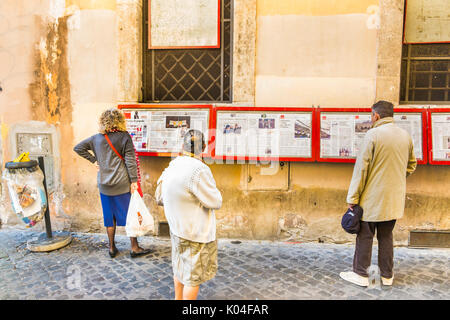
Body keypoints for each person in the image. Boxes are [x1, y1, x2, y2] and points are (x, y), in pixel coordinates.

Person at [340, 100, 417, 287]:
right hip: (393, 199)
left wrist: (353, 198)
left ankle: (360, 274)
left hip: (371, 199)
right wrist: (397, 178)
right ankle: (387, 276)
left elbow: (361, 170)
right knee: (386, 236)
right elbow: (412, 165)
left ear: (376, 115)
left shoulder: (373, 135)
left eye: (371, 115)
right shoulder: (405, 136)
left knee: (365, 236)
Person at [73, 108, 151, 258]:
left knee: (109, 217)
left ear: (103, 122)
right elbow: (130, 161)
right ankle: (134, 247)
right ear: (120, 121)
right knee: (130, 215)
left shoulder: (96, 138)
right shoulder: (124, 137)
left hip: (104, 185)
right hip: (122, 184)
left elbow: (78, 148)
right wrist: (134, 181)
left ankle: (111, 247)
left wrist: (93, 160)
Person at [155, 129, 222, 300]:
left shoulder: (173, 165)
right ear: (204, 147)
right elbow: (215, 201)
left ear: (183, 145)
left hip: (177, 229)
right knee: (192, 280)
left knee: (179, 271)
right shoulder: (199, 170)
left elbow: (159, 197)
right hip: (195, 234)